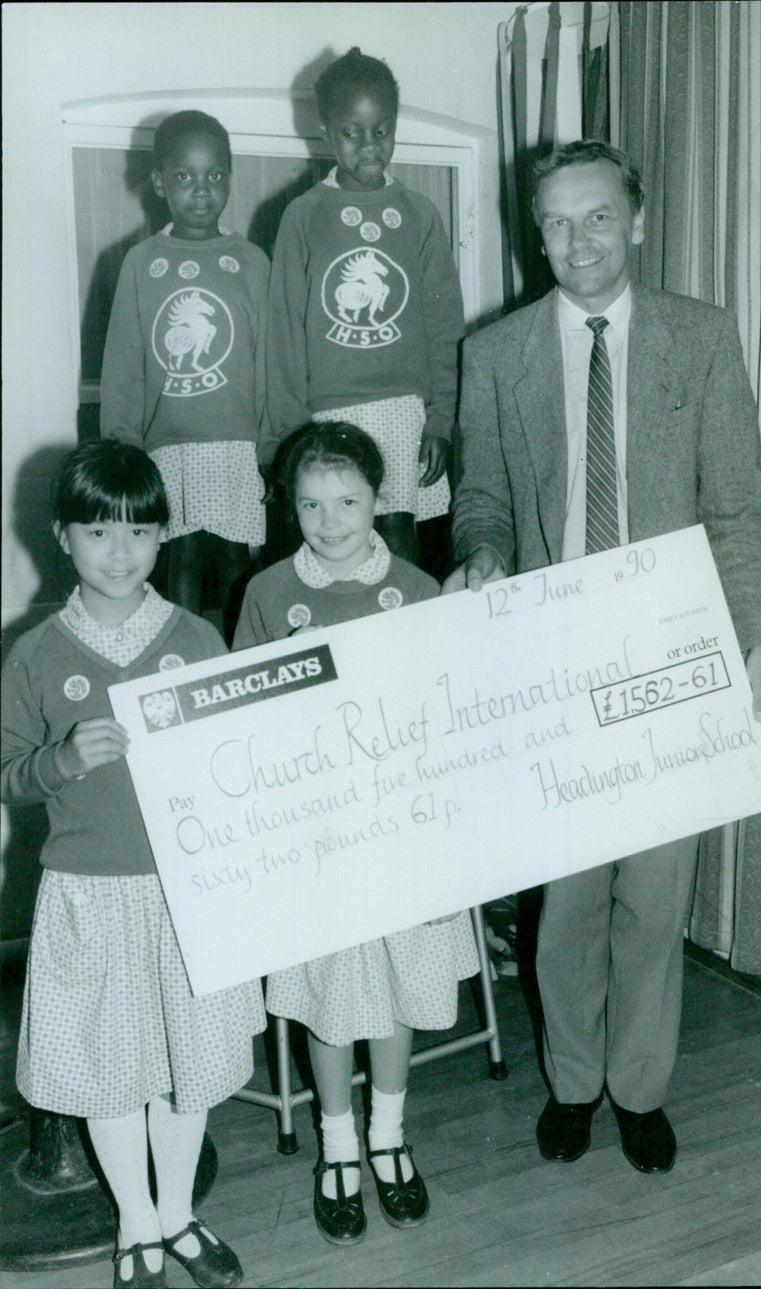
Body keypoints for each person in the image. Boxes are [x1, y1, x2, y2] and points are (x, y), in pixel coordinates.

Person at [445, 140, 761, 1174]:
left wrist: (759, 644)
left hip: (669, 658)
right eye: (554, 222)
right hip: (552, 666)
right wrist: (483, 550)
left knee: (653, 889)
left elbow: (735, 505)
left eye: (596, 217)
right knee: (565, 897)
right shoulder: (495, 352)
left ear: (634, 221)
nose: (576, 241)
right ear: (533, 231)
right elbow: (480, 498)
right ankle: (572, 1080)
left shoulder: (699, 336)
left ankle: (637, 1086)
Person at [1, 442, 265, 1289]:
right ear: (61, 537)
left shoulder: (193, 636)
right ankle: (137, 1226)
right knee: (113, 1070)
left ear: (163, 538)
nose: (122, 552)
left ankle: (180, 1214)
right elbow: (4, 772)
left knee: (186, 1067)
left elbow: (242, 757)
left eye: (141, 532)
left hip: (187, 891)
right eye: (99, 531)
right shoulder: (36, 654)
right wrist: (61, 761)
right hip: (89, 893)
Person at [234, 422, 478, 1245]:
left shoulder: (414, 586)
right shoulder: (268, 592)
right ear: (288, 505)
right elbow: (238, 724)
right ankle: (337, 1142)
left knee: (398, 984)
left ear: (380, 500)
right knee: (333, 996)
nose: (330, 520)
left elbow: (446, 707)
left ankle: (388, 1134)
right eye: (310, 503)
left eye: (347, 501)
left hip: (397, 831)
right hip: (316, 836)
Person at [265, 47, 464, 567]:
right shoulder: (303, 216)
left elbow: (446, 327)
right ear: (326, 132)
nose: (369, 145)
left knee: (399, 541)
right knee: (337, 545)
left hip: (403, 412)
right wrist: (288, 437)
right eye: (352, 132)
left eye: (382, 130)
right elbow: (283, 331)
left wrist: (441, 420)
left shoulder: (420, 216)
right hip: (325, 417)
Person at [100, 109, 270, 643]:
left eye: (215, 175)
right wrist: (123, 448)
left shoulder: (249, 261)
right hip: (168, 452)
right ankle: (180, 669)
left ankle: (241, 669)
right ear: (157, 183)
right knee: (182, 567)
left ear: (230, 176)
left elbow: (271, 359)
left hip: (238, 449)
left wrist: (273, 446)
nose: (201, 190)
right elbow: (124, 365)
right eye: (184, 176)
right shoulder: (140, 262)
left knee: (237, 567)